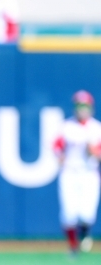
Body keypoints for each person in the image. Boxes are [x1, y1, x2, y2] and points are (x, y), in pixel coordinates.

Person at [53, 90, 101, 255]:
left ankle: (86, 234)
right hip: (70, 172)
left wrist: (93, 150)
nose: (81, 109)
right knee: (69, 212)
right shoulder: (67, 126)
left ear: (90, 107)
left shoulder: (96, 128)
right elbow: (56, 147)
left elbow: (98, 153)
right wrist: (60, 157)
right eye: (79, 105)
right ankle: (73, 247)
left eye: (84, 105)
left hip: (89, 172)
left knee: (87, 213)